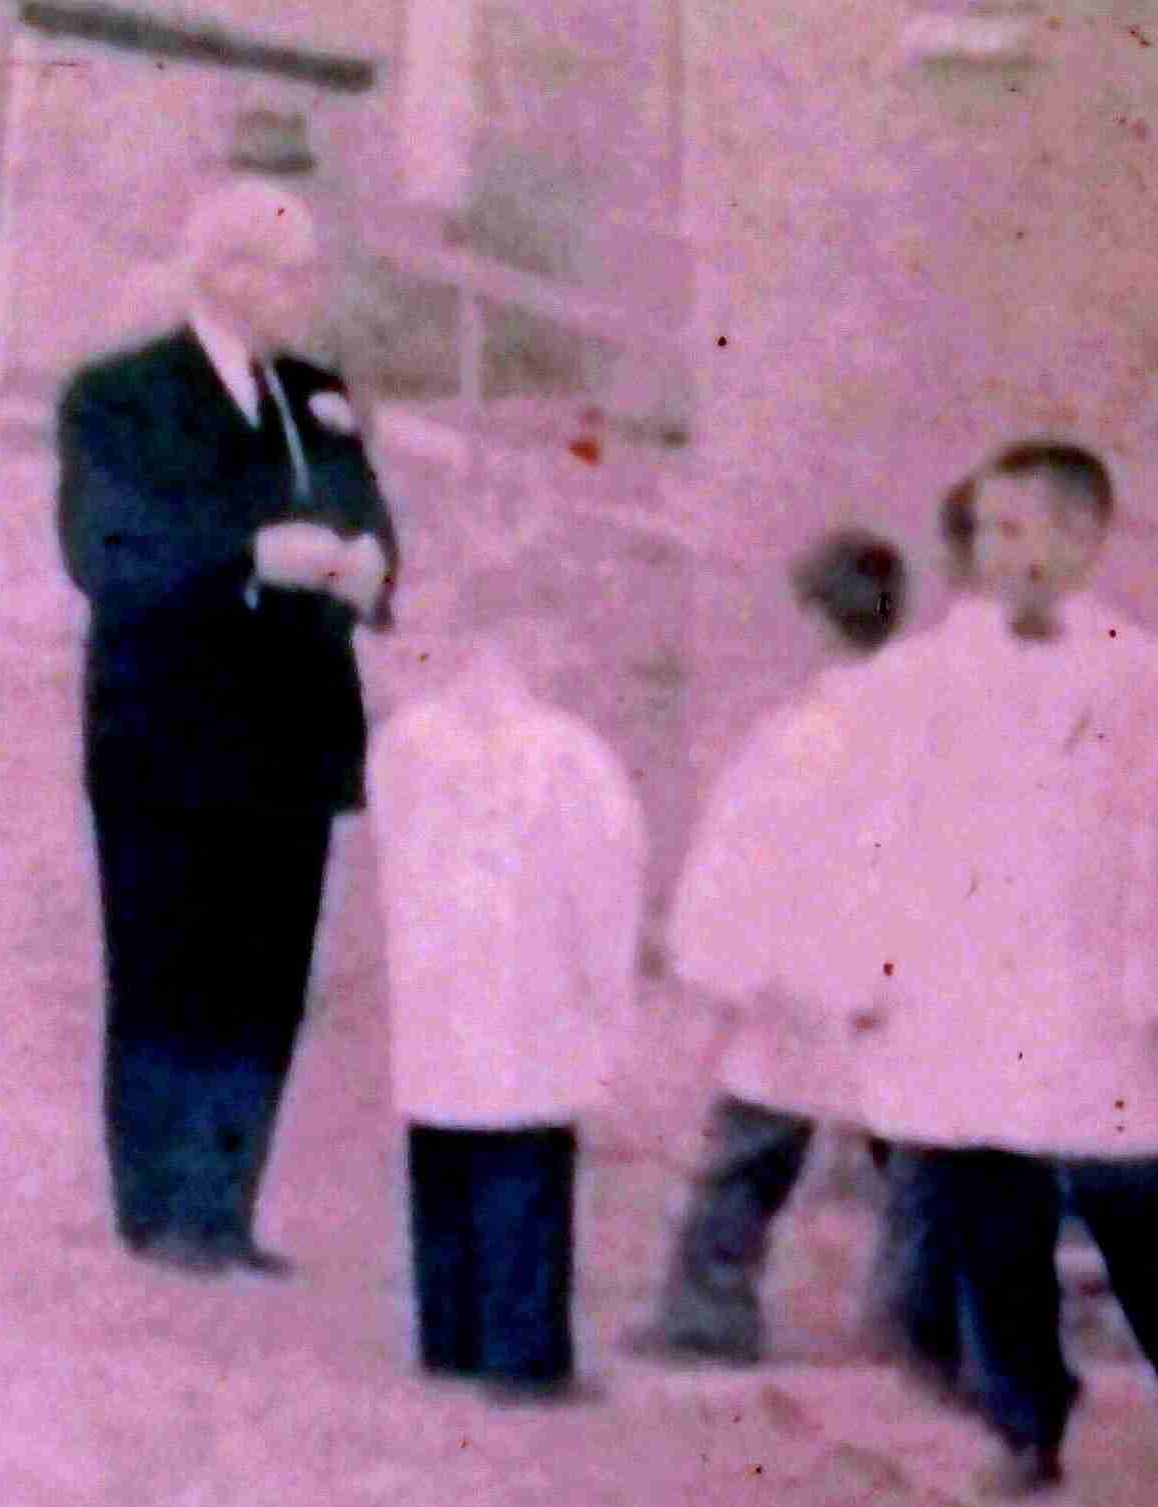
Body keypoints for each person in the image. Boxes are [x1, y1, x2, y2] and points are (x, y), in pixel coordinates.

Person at [855, 442, 1158, 1498]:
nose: (1002, 554)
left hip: (1101, 989)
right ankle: (1028, 1418)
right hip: (973, 987)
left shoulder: (1143, 673)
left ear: (1083, 539)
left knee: (1148, 1208)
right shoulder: (929, 675)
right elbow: (886, 831)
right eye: (988, 531)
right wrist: (876, 973)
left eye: (1024, 529)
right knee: (993, 1211)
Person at [56, 175, 398, 1277]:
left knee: (267, 974)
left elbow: (366, 508)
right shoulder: (118, 395)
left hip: (293, 731)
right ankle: (159, 1208)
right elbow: (106, 551)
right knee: (166, 962)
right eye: (290, 273)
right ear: (225, 274)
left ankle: (225, 1206)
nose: (308, 294)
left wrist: (371, 563)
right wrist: (249, 555)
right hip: (166, 729)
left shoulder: (315, 394)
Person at [633, 530, 960, 1374]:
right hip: (899, 975)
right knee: (918, 1157)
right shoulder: (932, 730)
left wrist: (716, 968)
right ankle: (920, 1322)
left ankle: (709, 1311)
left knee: (751, 1149)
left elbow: (745, 858)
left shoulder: (800, 734)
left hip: (802, 976)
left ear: (813, 617)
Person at [368, 611, 644, 1405]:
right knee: (523, 1163)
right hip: (532, 995)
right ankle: (523, 1353)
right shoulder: (571, 756)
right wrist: (606, 994)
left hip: (436, 990)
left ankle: (450, 1337)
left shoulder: (406, 745)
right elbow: (607, 888)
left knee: (444, 1153)